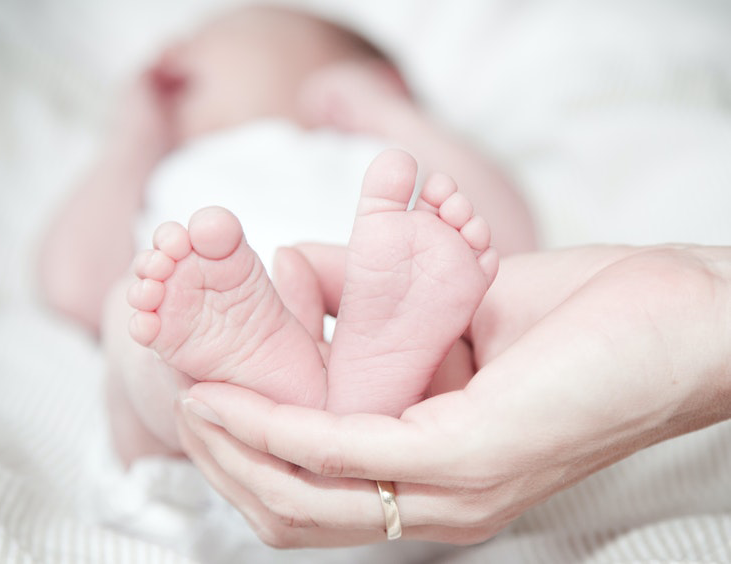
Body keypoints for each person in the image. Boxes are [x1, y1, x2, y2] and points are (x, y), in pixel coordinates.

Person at [39, 4, 536, 464]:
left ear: (373, 78)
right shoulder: (167, 167)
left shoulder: (381, 152)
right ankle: (291, 385)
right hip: (207, 466)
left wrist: (392, 114)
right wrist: (136, 137)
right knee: (138, 315)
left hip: (421, 469)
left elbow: (510, 248)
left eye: (212, 37)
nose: (171, 54)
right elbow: (74, 286)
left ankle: (354, 385)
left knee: (461, 322)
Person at [173, 238, 731, 548]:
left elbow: (499, 241)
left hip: (317, 289)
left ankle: (300, 386)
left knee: (162, 365)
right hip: (285, 292)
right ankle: (336, 383)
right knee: (160, 345)